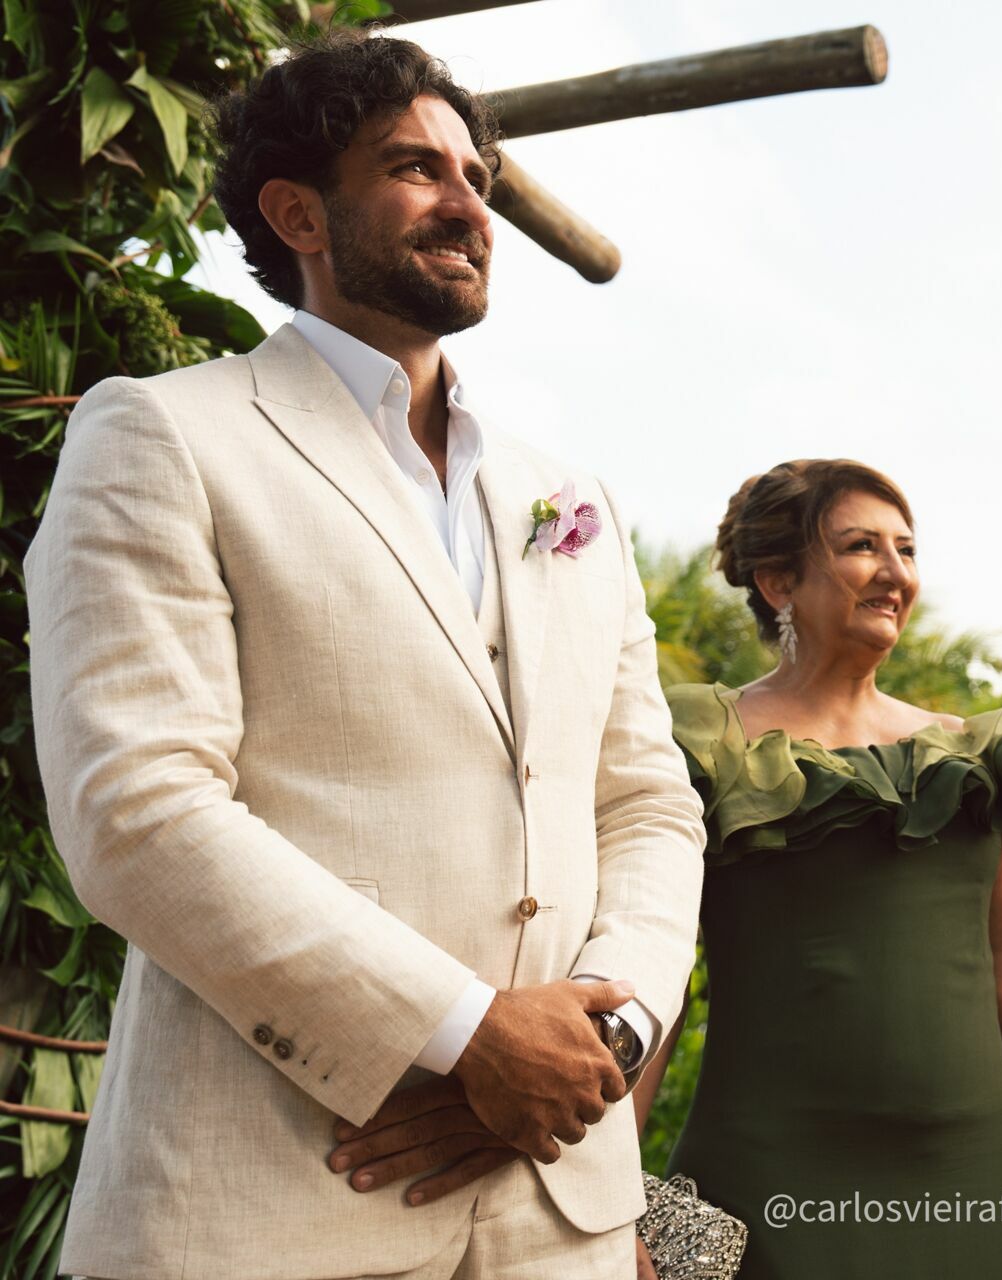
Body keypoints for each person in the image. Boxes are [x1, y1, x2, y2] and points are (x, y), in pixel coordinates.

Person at [25, 31, 706, 1280]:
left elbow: (647, 800)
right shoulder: (164, 435)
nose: (467, 202)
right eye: (415, 168)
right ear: (300, 212)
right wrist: (460, 1035)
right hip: (281, 1196)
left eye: (477, 175)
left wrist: (597, 1031)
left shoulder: (568, 494)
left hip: (566, 1214)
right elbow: (138, 807)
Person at [627, 460, 1002, 1280]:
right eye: (862, 547)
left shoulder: (969, 752)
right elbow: (655, 980)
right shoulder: (699, 741)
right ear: (777, 579)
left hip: (978, 1185)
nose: (896, 573)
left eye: (906, 549)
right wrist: (610, 1202)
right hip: (771, 1181)